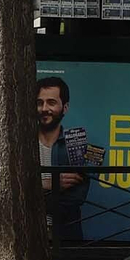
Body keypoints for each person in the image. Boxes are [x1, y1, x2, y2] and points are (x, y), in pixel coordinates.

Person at [36, 76, 92, 243]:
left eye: (51, 102)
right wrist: (48, 184)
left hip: (65, 237)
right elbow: (9, 193)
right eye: (39, 102)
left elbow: (75, 200)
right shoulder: (21, 145)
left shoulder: (75, 145)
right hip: (28, 235)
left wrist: (29, 197)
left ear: (65, 107)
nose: (44, 108)